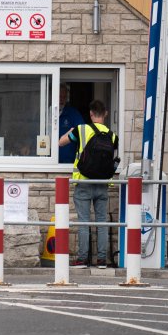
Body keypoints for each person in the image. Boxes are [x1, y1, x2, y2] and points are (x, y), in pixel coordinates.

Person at [58, 100, 117, 269]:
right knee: (102, 222)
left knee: (84, 221)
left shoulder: (81, 129)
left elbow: (61, 143)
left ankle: (83, 259)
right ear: (105, 114)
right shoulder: (112, 135)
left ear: (91, 114)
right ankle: (101, 260)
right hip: (102, 184)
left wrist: (69, 132)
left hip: (83, 182)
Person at [58, 84, 85, 164]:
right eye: (60, 96)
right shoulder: (47, 112)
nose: (61, 99)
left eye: (64, 97)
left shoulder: (73, 113)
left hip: (68, 162)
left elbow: (82, 131)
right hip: (48, 160)